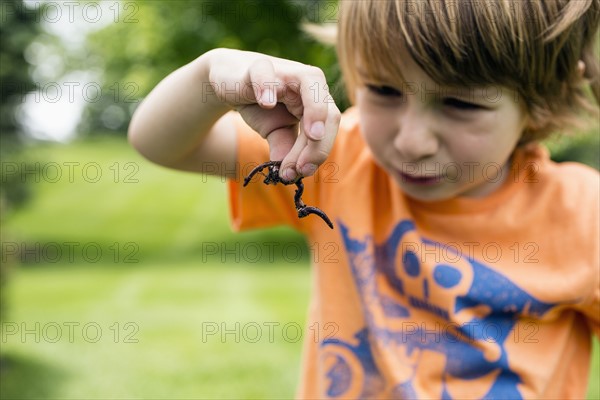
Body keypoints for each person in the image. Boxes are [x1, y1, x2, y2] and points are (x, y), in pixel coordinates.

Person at [128, 0, 599, 398]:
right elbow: (161, 143)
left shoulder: (584, 214)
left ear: (543, 98)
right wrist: (211, 76)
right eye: (384, 90)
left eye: (461, 104)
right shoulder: (335, 160)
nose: (412, 141)